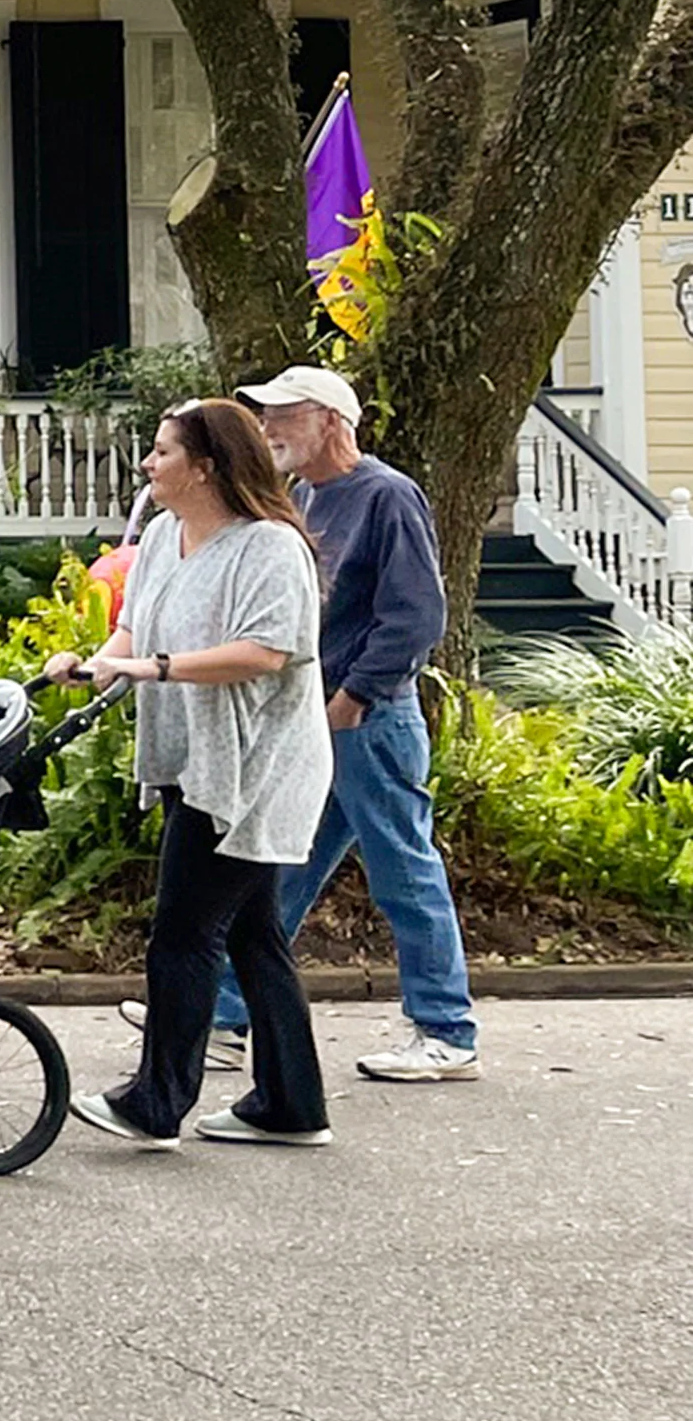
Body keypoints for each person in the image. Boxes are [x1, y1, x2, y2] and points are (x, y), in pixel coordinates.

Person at [175, 363, 477, 1086]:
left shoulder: (386, 494)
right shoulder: (301, 496)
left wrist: (355, 698)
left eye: (286, 414)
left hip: (368, 719)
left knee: (403, 869)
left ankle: (445, 1029)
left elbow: (415, 614)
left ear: (334, 421)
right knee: (281, 869)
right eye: (266, 415)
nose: (269, 427)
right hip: (316, 718)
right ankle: (223, 1015)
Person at [51, 397, 337, 1150]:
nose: (149, 464)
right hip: (191, 760)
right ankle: (291, 1104)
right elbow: (133, 630)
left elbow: (266, 652)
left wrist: (156, 668)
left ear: (205, 466)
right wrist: (96, 664)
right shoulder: (159, 539)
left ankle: (157, 1101)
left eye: (163, 452)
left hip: (255, 772)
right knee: (252, 935)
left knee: (183, 931)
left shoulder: (269, 547)